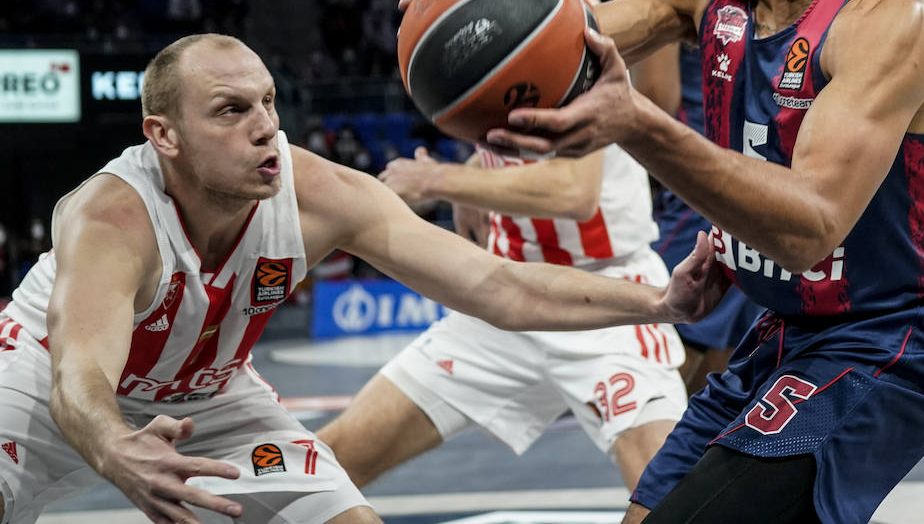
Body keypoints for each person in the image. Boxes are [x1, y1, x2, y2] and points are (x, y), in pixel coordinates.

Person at [408, 0, 924, 524]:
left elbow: (808, 230)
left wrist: (636, 124)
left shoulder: (888, 19)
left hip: (887, 339)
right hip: (780, 330)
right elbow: (570, 48)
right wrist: (472, 14)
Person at [0, 33, 724, 524]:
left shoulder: (317, 194)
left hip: (210, 398)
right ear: (164, 136)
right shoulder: (110, 215)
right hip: (39, 385)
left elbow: (498, 285)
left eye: (268, 101)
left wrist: (659, 301)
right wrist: (113, 444)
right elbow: (79, 376)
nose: (264, 126)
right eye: (231, 110)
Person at [316, 0, 688, 492]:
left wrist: (436, 178)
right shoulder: (449, 12)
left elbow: (575, 190)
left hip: (605, 297)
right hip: (502, 296)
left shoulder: (569, 16)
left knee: (672, 495)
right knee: (325, 461)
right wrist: (473, 184)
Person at [556, 0, 762, 394]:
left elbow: (656, 98)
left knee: (657, 385)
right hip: (733, 175)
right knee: (716, 393)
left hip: (690, 184)